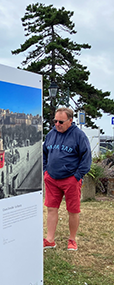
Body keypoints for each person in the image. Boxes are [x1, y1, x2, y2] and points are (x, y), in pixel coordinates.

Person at [43, 107, 92, 251]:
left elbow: (86, 158)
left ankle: (72, 240)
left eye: (61, 122)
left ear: (70, 120)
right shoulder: (51, 134)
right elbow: (45, 152)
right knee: (51, 209)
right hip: (52, 179)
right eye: (55, 121)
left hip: (71, 179)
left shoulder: (79, 135)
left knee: (73, 210)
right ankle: (50, 240)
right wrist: (46, 171)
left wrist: (77, 176)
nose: (57, 124)